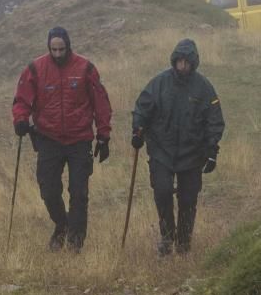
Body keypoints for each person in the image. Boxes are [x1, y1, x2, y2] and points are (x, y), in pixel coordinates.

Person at [12, 26, 112, 252]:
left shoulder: (86, 68)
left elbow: (101, 103)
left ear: (69, 46)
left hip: (79, 139)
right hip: (48, 138)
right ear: (48, 47)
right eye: (53, 49)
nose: (58, 54)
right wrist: (20, 120)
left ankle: (75, 242)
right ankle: (62, 224)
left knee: (79, 193)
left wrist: (104, 135)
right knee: (48, 190)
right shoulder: (35, 69)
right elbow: (21, 100)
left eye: (62, 49)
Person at [131, 39, 225, 255]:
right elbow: (142, 108)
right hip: (161, 151)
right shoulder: (159, 83)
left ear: (193, 63)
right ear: (174, 61)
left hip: (192, 153)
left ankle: (184, 242)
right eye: (179, 62)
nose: (182, 66)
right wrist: (138, 131)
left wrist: (212, 150)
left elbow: (215, 119)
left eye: (186, 62)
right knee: (162, 191)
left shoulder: (204, 87)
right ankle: (167, 236)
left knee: (188, 198)